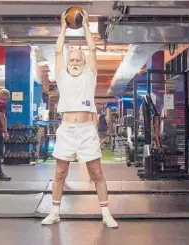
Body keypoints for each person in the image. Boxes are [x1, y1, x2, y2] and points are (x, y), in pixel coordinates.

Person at [41, 10, 118, 228]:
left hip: (86, 130)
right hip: (66, 129)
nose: (74, 61)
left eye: (78, 59)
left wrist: (85, 26)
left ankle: (106, 214)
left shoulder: (89, 75)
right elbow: (58, 52)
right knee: (60, 172)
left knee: (96, 173)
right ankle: (54, 212)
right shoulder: (62, 75)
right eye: (72, 59)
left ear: (84, 63)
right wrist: (63, 27)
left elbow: (93, 49)